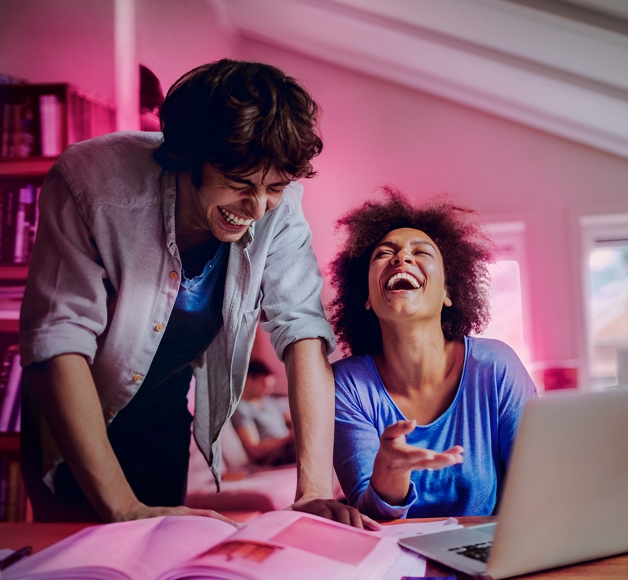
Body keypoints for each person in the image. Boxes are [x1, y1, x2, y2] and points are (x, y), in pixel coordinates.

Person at [20, 59, 372, 528]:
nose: (257, 207)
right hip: (76, 418)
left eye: (275, 188)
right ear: (189, 155)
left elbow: (304, 331)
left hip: (163, 420)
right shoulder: (90, 183)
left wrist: (313, 491)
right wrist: (122, 508)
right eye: (240, 184)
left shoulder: (279, 209)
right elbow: (60, 341)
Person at [328, 189, 537, 519]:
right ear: (366, 296)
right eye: (385, 253)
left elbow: (532, 488)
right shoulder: (346, 385)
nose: (402, 259)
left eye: (420, 251)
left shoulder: (496, 367)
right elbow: (368, 518)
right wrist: (390, 473)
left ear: (447, 293)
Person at [231, 359, 295, 466]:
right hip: (275, 455)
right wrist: (288, 438)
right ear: (249, 380)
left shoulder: (270, 401)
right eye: (264, 384)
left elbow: (293, 420)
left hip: (290, 445)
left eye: (270, 386)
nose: (268, 390)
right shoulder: (241, 408)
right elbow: (255, 450)